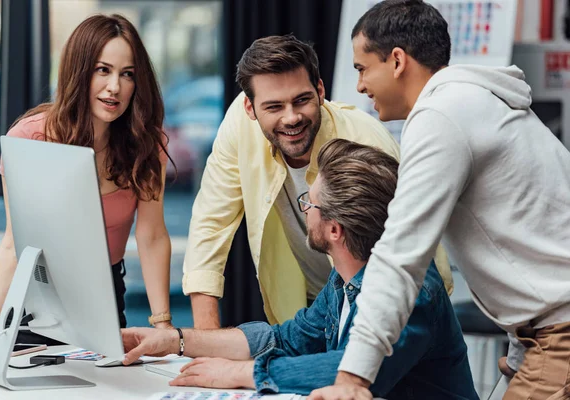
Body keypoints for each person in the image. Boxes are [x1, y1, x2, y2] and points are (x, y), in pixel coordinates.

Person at [311, 1, 570, 399]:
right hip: (538, 335)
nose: (360, 85)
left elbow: (400, 253)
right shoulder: (476, 102)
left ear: (397, 60)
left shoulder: (441, 116)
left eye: (363, 69)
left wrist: (352, 379)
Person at [122, 139, 478, 399]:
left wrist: (239, 374)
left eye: (310, 202)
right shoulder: (344, 278)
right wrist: (177, 340)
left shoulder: (411, 290)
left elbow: (352, 368)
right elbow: (284, 340)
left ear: (335, 230)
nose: (304, 209)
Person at [183, 34, 453, 328]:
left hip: (389, 306)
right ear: (250, 108)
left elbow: (407, 252)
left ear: (320, 91)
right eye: (274, 107)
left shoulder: (363, 141)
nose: (291, 118)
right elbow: (210, 224)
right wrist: (203, 341)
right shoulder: (239, 125)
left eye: (302, 100)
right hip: (308, 311)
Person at [0, 14, 175, 352]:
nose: (115, 87)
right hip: (35, 298)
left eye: (127, 75)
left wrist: (163, 326)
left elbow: (152, 236)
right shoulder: (31, 137)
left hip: (104, 295)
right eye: (102, 70)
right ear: (79, 72)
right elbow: (13, 243)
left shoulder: (145, 145)